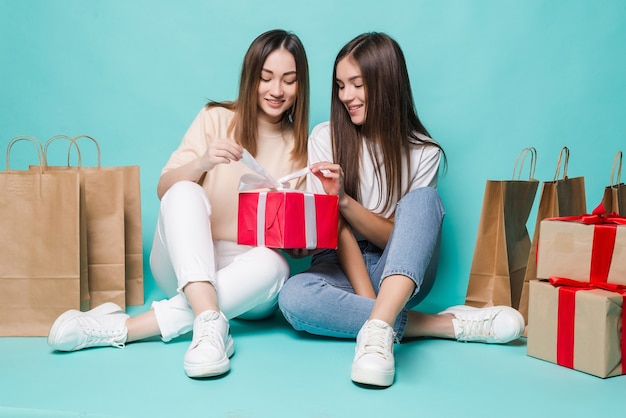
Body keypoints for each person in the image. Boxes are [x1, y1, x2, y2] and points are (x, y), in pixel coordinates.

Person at [47, 29, 310, 379]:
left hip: (250, 282)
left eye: (289, 81)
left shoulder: (303, 147)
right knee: (184, 191)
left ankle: (127, 327)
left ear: (300, 86)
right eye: (266, 78)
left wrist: (293, 226)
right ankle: (203, 322)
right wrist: (202, 162)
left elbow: (296, 252)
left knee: (276, 266)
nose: (276, 90)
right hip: (182, 263)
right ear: (251, 78)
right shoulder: (215, 118)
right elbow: (164, 189)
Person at [278, 32, 524, 388]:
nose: (346, 96)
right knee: (294, 297)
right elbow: (339, 231)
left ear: (385, 83)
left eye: (357, 85)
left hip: (400, 271)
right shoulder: (325, 137)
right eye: (340, 86)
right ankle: (445, 325)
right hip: (340, 267)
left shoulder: (424, 152)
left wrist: (344, 201)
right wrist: (372, 305)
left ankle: (379, 327)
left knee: (423, 202)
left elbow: (405, 235)